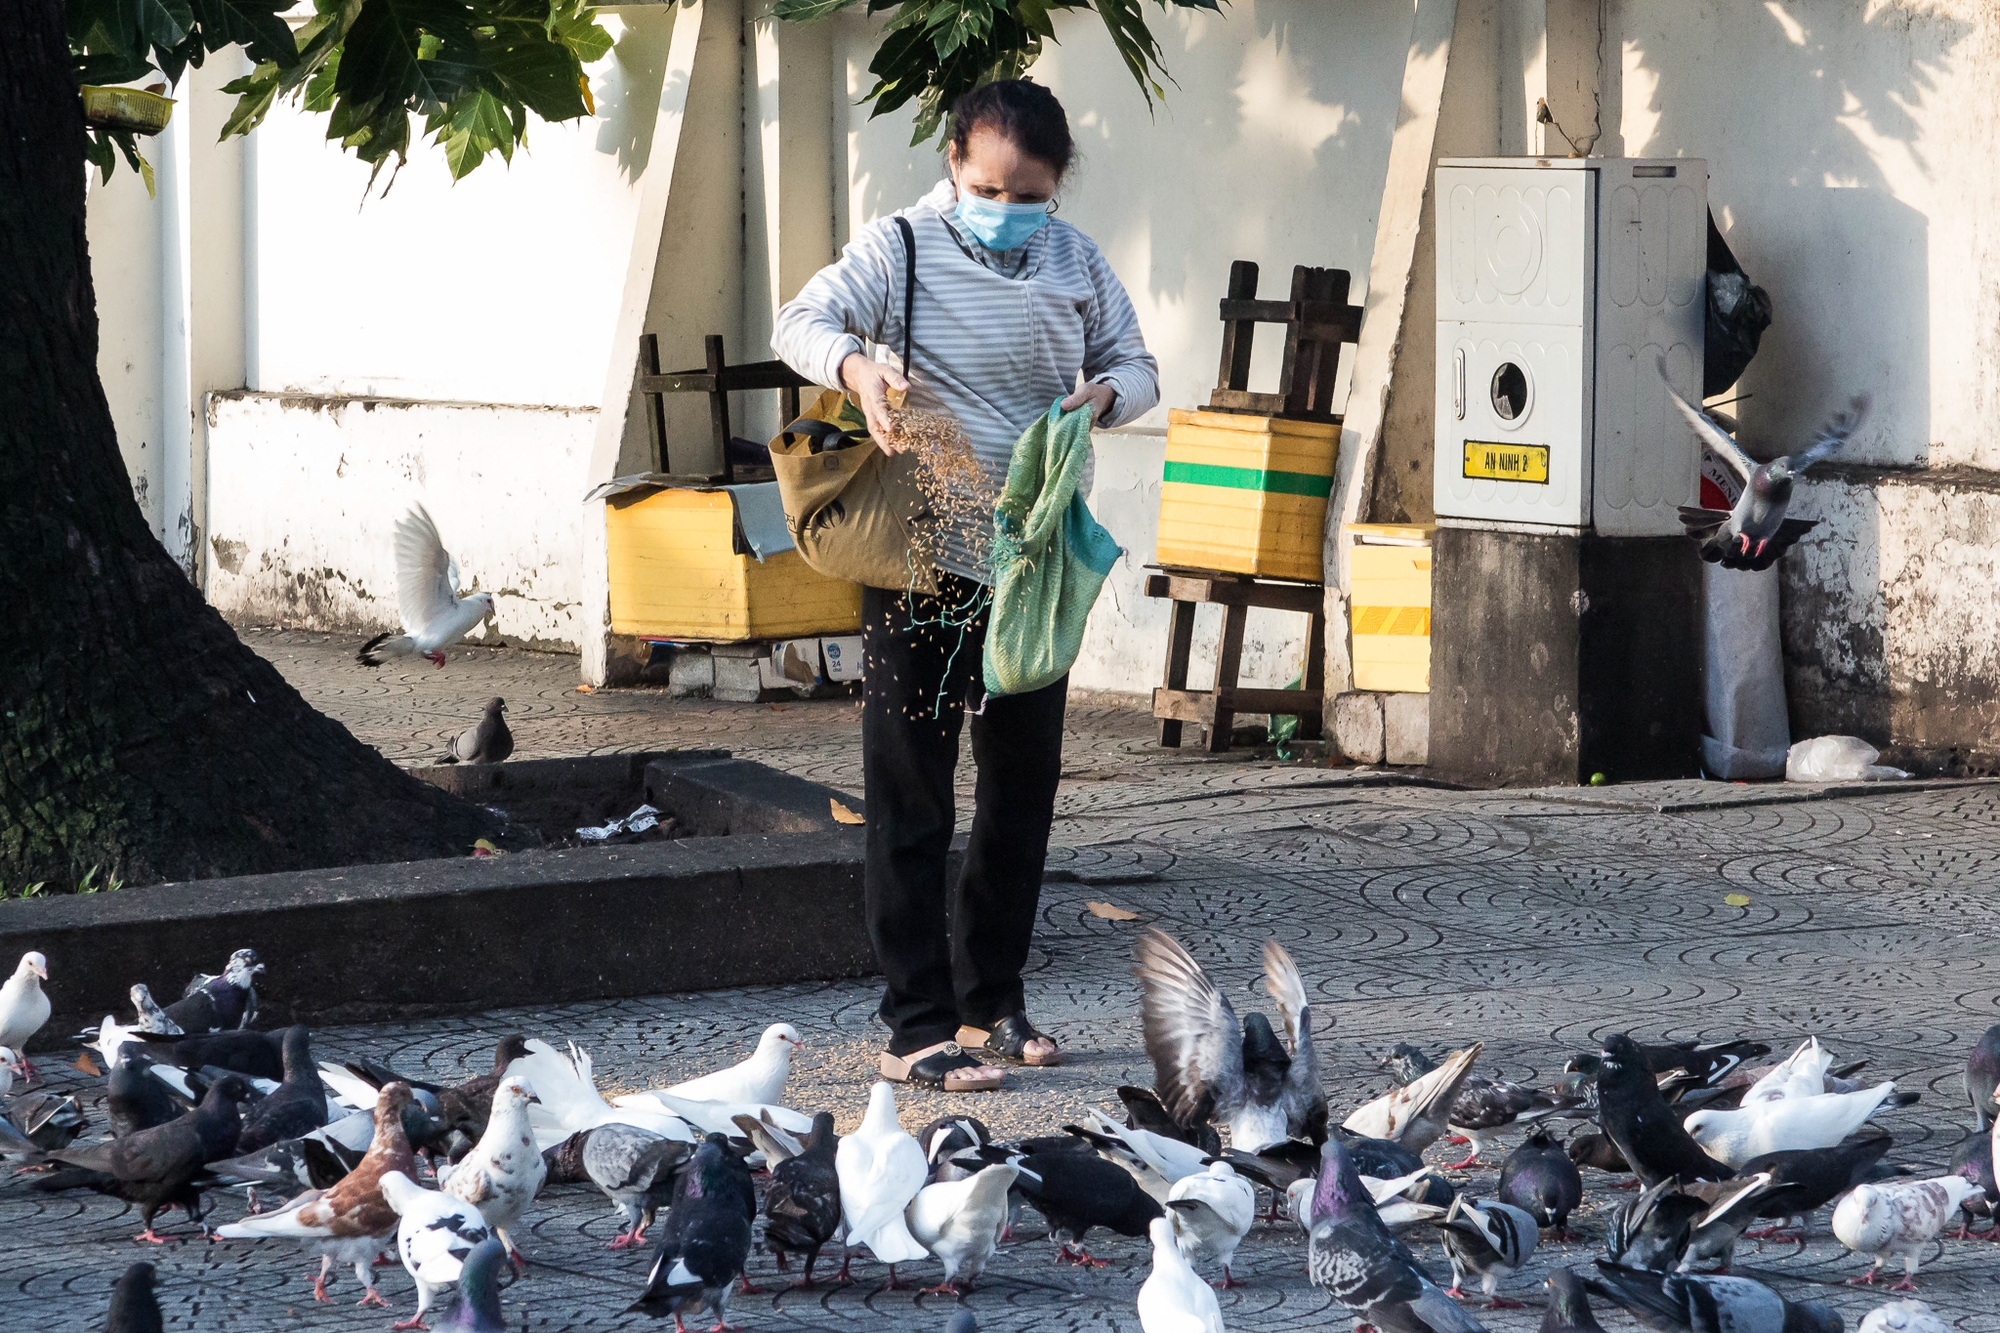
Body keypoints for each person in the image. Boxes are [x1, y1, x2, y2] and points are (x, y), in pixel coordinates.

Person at [773, 79, 1159, 1092]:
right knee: (911, 794)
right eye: (988, 186)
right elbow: (799, 321)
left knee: (1019, 792)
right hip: (924, 560)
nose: (1006, 208)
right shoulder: (897, 246)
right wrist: (857, 370)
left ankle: (992, 997)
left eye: (1028, 194)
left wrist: (1105, 392)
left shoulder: (1073, 258)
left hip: (1031, 565)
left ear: (1054, 189)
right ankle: (915, 1022)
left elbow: (1138, 363)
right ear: (952, 162)